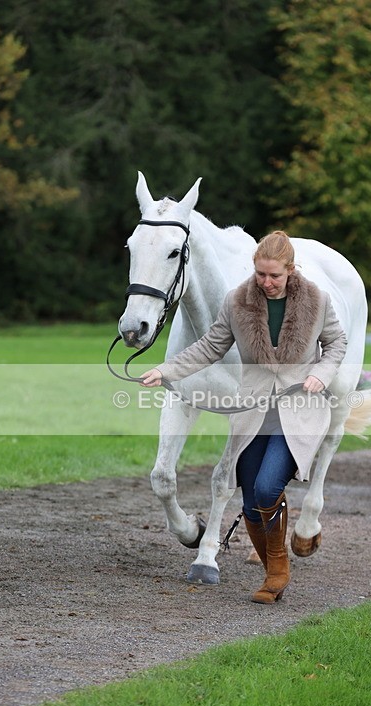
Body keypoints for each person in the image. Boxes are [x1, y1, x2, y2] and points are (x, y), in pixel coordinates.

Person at [140, 231, 347, 604]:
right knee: (250, 498)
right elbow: (210, 345)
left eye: (274, 276)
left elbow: (337, 343)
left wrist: (322, 374)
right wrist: (168, 370)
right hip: (253, 411)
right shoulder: (237, 301)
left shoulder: (317, 300)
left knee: (268, 487)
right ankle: (272, 567)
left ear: (290, 270)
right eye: (260, 274)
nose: (266, 283)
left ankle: (277, 568)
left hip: (299, 409)